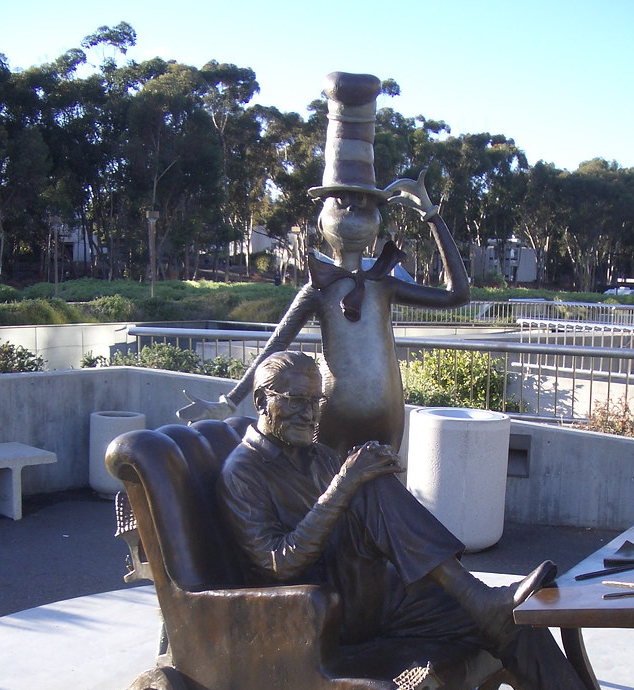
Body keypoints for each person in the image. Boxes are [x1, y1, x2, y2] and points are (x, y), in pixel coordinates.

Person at [217, 350, 634, 690]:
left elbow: (356, 519)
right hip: (318, 617)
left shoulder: (315, 454)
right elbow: (277, 562)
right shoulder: (243, 471)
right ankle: (477, 596)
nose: (311, 412)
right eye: (297, 401)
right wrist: (348, 485)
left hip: (377, 594)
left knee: (516, 622)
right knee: (361, 480)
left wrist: (376, 494)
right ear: (262, 401)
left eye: (317, 402)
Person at [180, 72, 469, 457]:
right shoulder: (318, 288)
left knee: (382, 496)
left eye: (363, 203)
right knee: (328, 492)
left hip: (388, 416)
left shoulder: (383, 284)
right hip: (331, 416)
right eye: (341, 202)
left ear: (378, 218)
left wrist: (433, 216)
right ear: (322, 218)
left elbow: (457, 295)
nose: (351, 210)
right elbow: (275, 347)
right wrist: (230, 400)